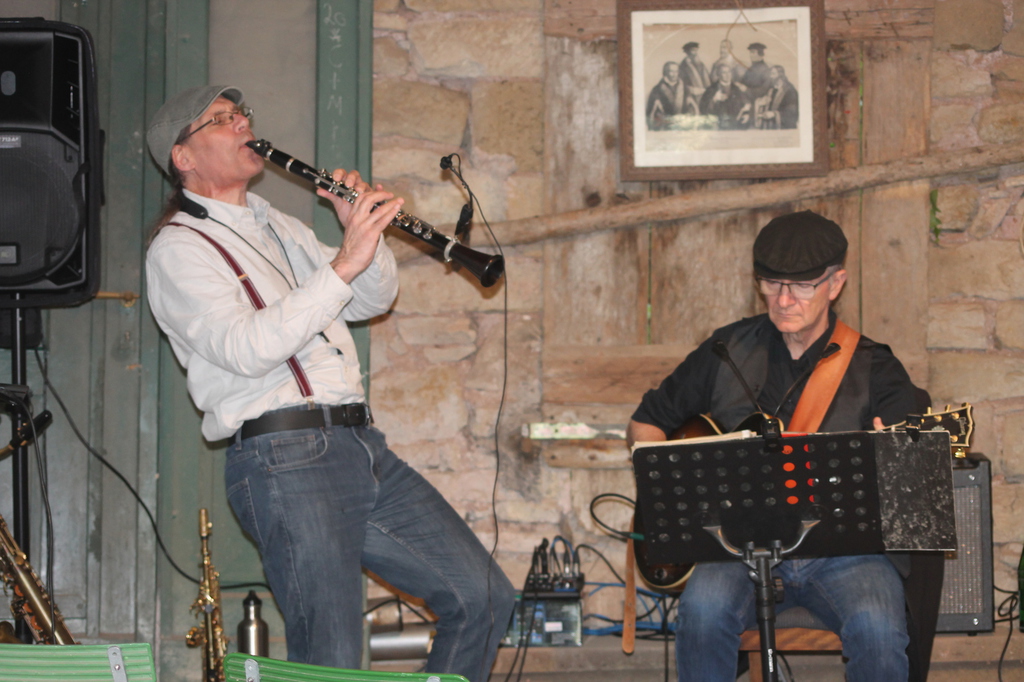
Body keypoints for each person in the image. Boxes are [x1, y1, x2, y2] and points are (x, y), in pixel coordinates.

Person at [144, 85, 515, 680]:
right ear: (183, 157)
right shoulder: (179, 249)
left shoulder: (277, 224)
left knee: (483, 596)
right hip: (284, 455)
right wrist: (343, 261)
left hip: (359, 446)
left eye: (242, 114)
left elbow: (369, 299)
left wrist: (360, 235)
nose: (242, 124)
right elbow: (246, 347)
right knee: (331, 656)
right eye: (221, 120)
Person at [627, 211, 934, 682]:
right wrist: (666, 495)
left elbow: (910, 488)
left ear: (836, 283)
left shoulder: (876, 368)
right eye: (771, 284)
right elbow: (646, 421)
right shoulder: (726, 350)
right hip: (736, 548)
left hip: (846, 554)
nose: (784, 299)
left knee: (878, 630)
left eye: (803, 286)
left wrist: (897, 463)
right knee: (701, 616)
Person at [699, 62, 752, 129]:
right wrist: (714, 100)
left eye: (729, 72)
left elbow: (746, 103)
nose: (727, 75)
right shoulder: (711, 89)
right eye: (724, 72)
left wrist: (746, 113)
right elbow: (703, 108)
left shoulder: (737, 89)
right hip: (717, 125)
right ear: (718, 75)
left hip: (735, 124)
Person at [646, 61, 691, 129]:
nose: (674, 74)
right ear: (665, 72)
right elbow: (650, 114)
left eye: (676, 71)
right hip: (664, 127)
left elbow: (691, 108)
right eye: (671, 71)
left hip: (683, 127)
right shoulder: (657, 90)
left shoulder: (684, 88)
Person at [755, 64, 799, 129]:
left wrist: (774, 114)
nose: (771, 77)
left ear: (780, 76)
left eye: (773, 74)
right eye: (770, 74)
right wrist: (762, 102)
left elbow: (792, 113)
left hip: (784, 128)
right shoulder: (772, 90)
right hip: (771, 126)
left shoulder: (790, 91)